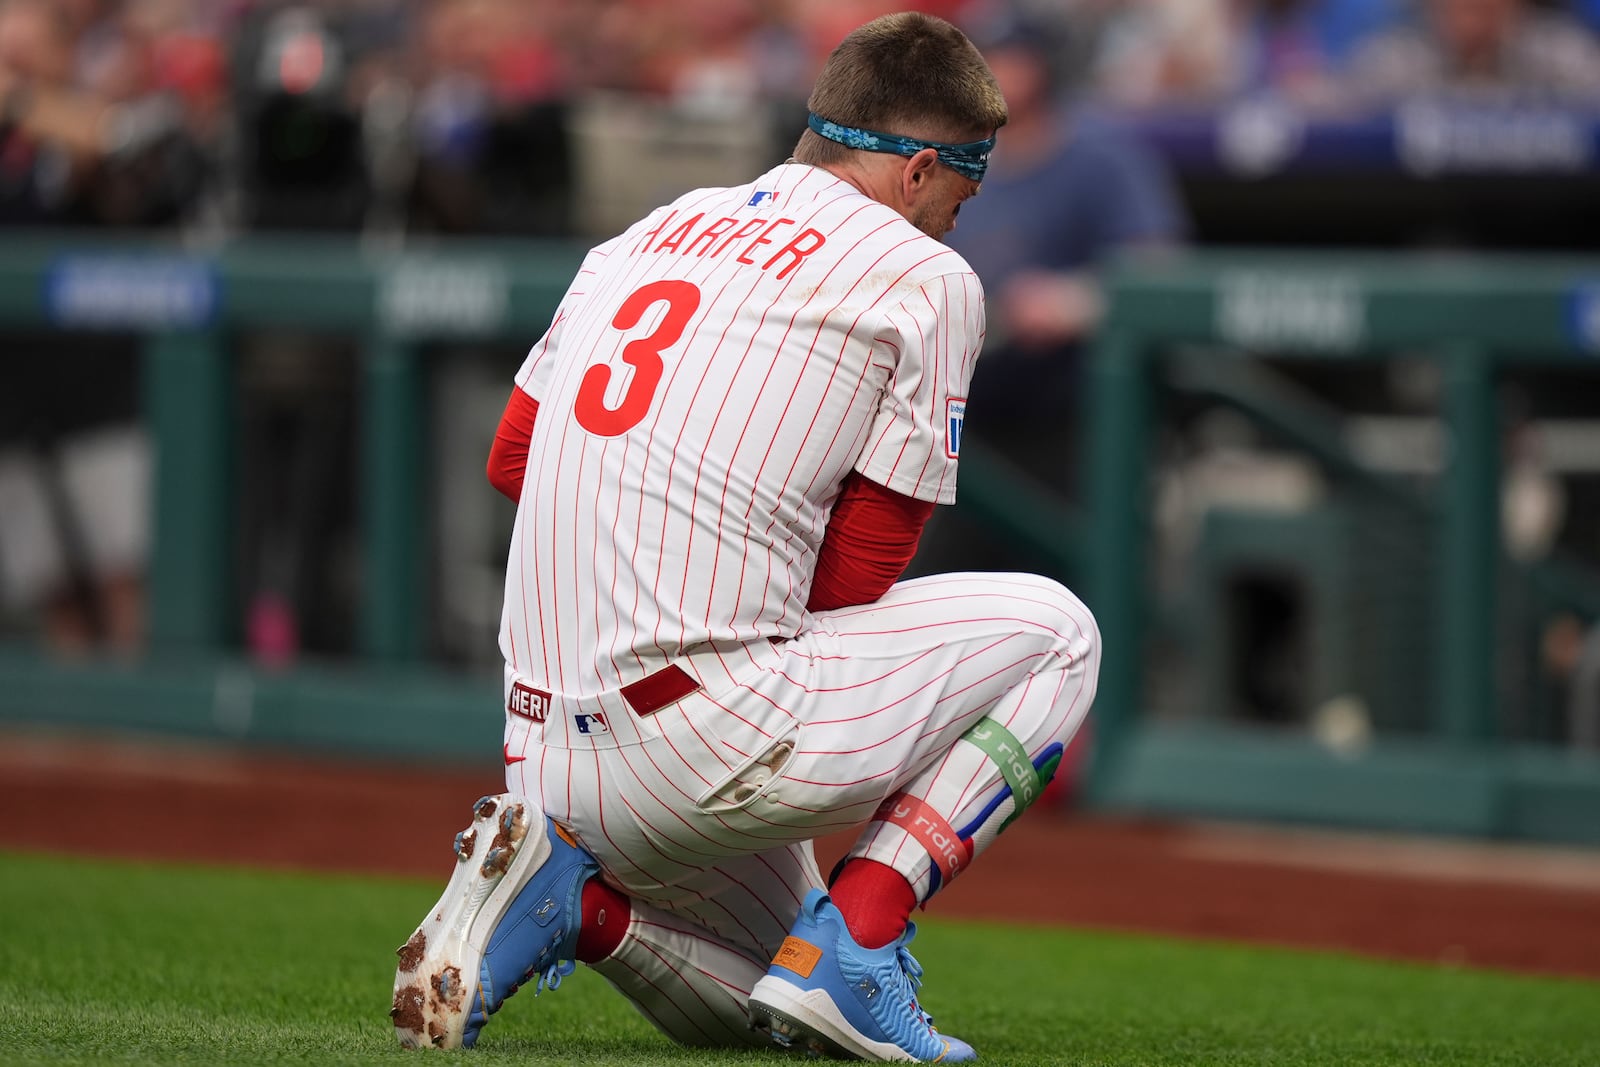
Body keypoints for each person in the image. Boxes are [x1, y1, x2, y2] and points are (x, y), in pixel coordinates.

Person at [390, 12, 1100, 1063]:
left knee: (777, 1004)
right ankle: (863, 940)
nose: (963, 210)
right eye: (966, 182)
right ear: (915, 170)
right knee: (1060, 631)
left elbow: (511, 459)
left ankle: (577, 904)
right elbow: (861, 569)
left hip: (539, 756)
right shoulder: (925, 274)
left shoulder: (651, 228)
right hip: (708, 731)